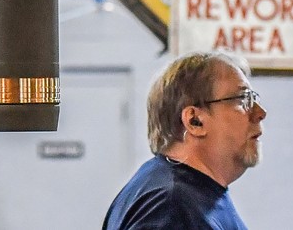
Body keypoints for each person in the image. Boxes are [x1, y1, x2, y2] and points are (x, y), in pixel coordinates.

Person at [103, 51, 266, 229]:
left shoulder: (189, 195)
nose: (260, 113)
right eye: (243, 99)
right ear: (194, 121)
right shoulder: (170, 207)